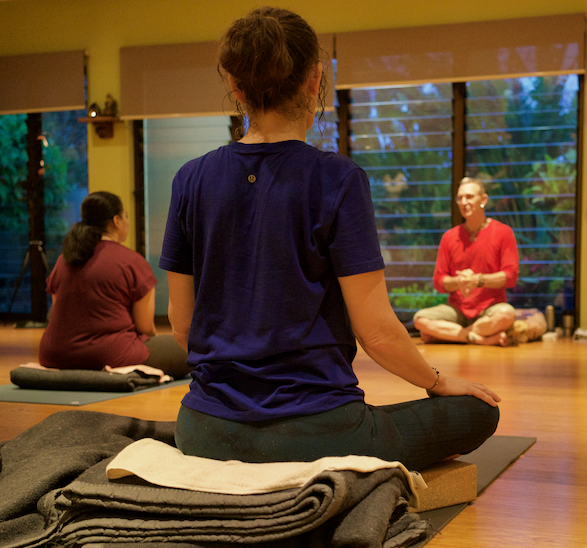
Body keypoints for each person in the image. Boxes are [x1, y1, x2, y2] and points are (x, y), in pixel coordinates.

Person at [159, 7, 500, 472]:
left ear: (235, 87)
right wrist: (438, 380)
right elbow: (376, 332)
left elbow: (182, 327)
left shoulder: (190, 179)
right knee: (478, 411)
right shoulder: (337, 179)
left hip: (203, 431)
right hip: (317, 433)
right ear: (315, 79)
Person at [39, 191, 189, 378]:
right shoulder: (131, 261)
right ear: (116, 221)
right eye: (126, 216)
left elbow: (56, 310)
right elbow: (145, 328)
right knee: (190, 347)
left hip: (54, 355)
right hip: (111, 355)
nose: (127, 222)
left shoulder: (64, 260)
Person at [413, 177, 519, 346]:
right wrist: (460, 282)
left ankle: (453, 335)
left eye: (469, 197)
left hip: (489, 309)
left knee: (507, 314)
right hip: (457, 311)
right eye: (459, 198)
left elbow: (510, 277)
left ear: (483, 199)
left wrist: (477, 280)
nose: (463, 202)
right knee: (420, 320)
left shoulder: (503, 232)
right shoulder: (449, 237)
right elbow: (440, 281)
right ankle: (483, 339)